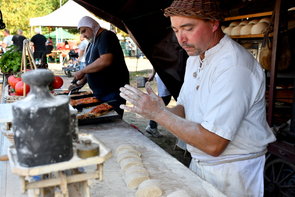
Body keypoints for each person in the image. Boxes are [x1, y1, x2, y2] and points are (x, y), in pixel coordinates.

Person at [119, 0, 276, 196]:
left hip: (233, 173)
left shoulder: (235, 67)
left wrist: (159, 115)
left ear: (213, 23)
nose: (180, 39)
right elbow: (185, 109)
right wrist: (156, 108)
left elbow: (213, 144)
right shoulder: (195, 58)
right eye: (175, 30)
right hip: (201, 165)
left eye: (188, 28)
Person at [71, 16, 129, 118]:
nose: (83, 35)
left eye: (84, 31)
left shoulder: (106, 36)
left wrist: (82, 71)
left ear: (92, 26)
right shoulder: (92, 42)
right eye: (81, 32)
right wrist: (80, 83)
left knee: (113, 123)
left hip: (112, 92)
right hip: (100, 93)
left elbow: (105, 61)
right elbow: (92, 67)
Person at [145, 70, 171, 137]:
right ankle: (152, 126)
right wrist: (153, 74)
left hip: (166, 74)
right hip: (164, 75)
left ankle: (152, 126)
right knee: (164, 100)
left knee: (163, 100)